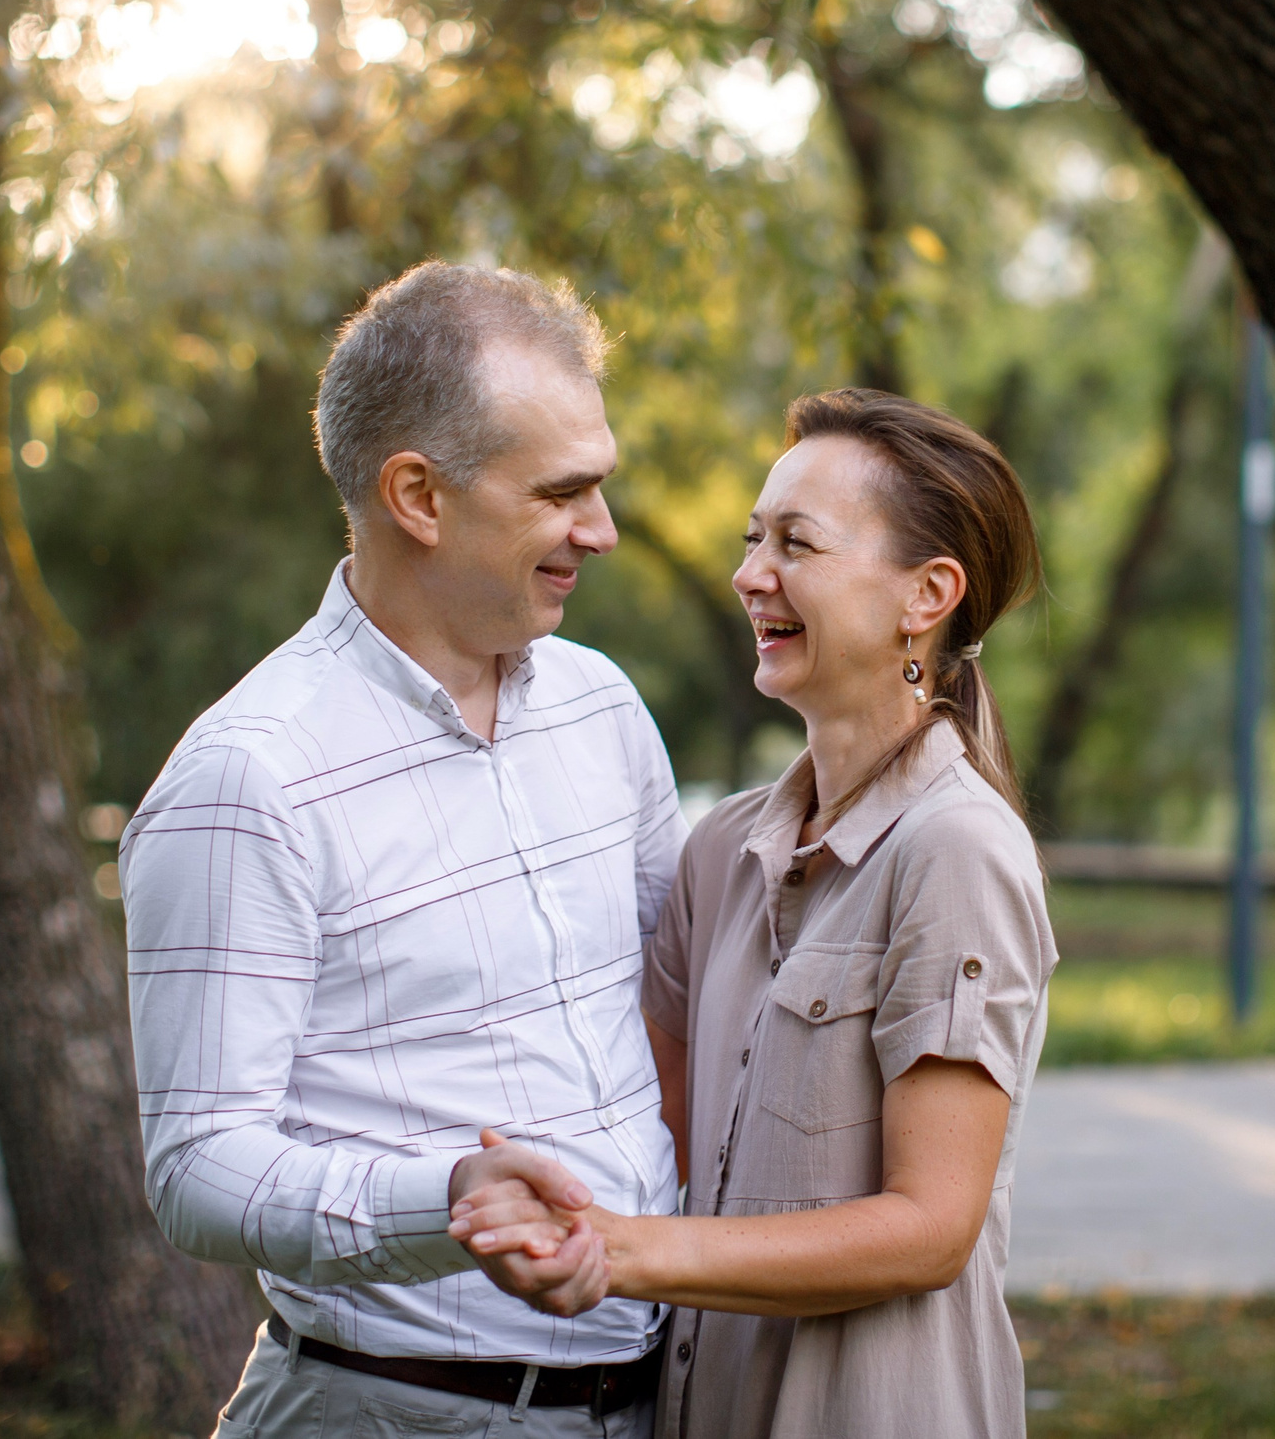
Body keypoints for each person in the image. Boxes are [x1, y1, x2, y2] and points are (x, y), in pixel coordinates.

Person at [121, 263, 685, 1438]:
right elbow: (199, 1170)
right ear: (418, 497)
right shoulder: (250, 777)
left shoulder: (602, 709)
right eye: (562, 493)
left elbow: (666, 1009)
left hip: (649, 1403)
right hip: (395, 1414)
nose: (604, 530)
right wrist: (447, 1203)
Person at [450, 389, 1058, 1439]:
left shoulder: (956, 851)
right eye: (750, 539)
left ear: (928, 594)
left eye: (796, 543)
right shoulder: (721, 854)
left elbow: (930, 1229)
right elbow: (660, 1142)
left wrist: (623, 1251)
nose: (749, 574)